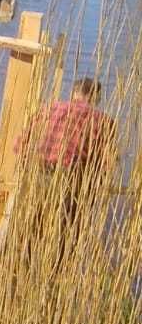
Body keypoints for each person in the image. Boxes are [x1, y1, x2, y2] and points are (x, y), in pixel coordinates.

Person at [19, 77, 117, 218]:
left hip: (37, 170)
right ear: (96, 97)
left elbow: (20, 145)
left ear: (73, 93)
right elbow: (109, 163)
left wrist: (27, 167)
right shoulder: (103, 120)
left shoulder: (47, 109)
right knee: (66, 224)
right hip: (70, 177)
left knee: (36, 219)